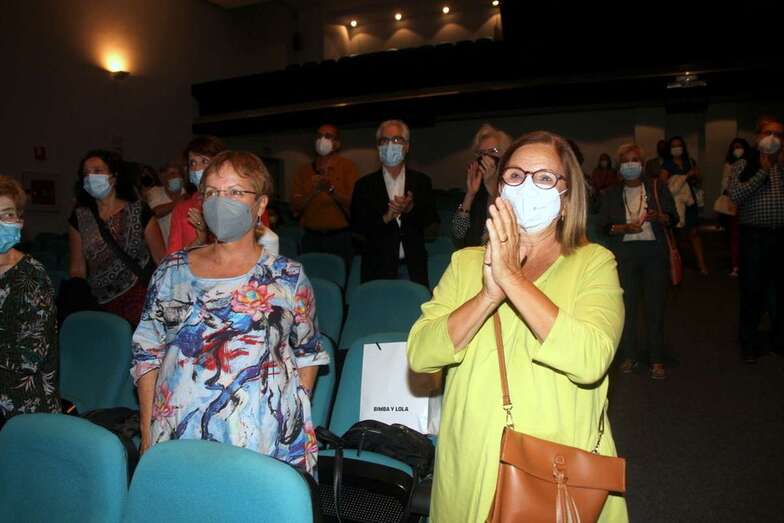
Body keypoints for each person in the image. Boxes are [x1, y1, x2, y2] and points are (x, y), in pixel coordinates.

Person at [408, 130, 627, 522]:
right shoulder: (466, 264)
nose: (527, 186)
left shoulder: (594, 263)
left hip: (553, 470)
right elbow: (421, 354)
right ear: (501, 190)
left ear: (567, 198)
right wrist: (487, 296)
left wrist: (512, 279)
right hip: (470, 461)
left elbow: (590, 358)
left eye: (544, 178)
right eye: (515, 175)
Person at [131, 151, 328, 475]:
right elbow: (147, 352)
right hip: (180, 433)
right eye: (212, 192)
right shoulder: (171, 271)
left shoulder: (288, 277)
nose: (222, 202)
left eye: (235, 192)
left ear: (260, 205)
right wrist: (147, 430)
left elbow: (308, 354)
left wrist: (288, 416)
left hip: (262, 441)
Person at [598, 144, 678, 379]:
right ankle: (629, 356)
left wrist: (660, 216)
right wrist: (623, 228)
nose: (630, 164)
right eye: (626, 161)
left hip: (655, 254)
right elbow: (603, 226)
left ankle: (657, 359)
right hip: (624, 255)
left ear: (642, 165)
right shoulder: (611, 193)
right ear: (620, 166)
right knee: (627, 309)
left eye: (635, 160)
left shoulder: (657, 187)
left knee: (655, 308)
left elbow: (673, 217)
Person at [68, 150, 165, 326]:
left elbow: (160, 259)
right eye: (86, 173)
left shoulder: (140, 211)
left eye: (97, 171)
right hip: (99, 304)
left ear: (113, 177)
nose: (90, 177)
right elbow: (77, 268)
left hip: (140, 299)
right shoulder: (79, 218)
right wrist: (80, 300)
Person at [0, 176, 59, 428]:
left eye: (8, 214)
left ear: (20, 220)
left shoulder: (32, 276)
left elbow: (28, 358)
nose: (2, 222)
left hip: (24, 409)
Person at [351, 119, 438, 287]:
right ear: (378, 147)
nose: (390, 145)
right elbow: (357, 233)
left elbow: (432, 227)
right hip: (376, 269)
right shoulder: (364, 185)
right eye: (384, 140)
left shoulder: (421, 182)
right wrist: (385, 219)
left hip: (413, 269)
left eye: (397, 139)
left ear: (407, 146)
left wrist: (410, 209)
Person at [728, 116, 784, 363]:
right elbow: (736, 195)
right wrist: (763, 171)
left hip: (780, 235)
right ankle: (749, 342)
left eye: (779, 134)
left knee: (778, 291)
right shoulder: (744, 164)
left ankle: (778, 340)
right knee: (752, 291)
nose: (773, 138)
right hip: (755, 237)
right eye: (768, 133)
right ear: (758, 136)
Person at [290, 124, 359, 265]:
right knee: (309, 276)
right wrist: (313, 192)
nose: (322, 140)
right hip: (311, 238)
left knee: (340, 276)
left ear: (337, 144)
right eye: (319, 136)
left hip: (340, 238)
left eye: (328, 136)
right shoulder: (304, 171)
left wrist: (331, 190)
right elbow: (295, 207)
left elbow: (354, 204)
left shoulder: (348, 167)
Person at [451, 124, 512, 247]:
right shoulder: (478, 188)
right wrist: (470, 195)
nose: (486, 157)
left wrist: (492, 188)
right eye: (481, 153)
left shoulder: (514, 188)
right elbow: (458, 233)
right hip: (473, 254)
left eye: (493, 151)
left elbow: (499, 235)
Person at [166, 136, 226, 254]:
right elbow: (172, 259)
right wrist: (199, 241)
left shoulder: (235, 203)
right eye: (192, 163)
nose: (197, 168)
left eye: (204, 161)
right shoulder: (182, 210)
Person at [660, 136, 708, 275]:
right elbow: (663, 183)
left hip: (690, 201)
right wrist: (680, 179)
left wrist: (694, 176)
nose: (677, 148)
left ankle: (701, 264)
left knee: (694, 232)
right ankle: (675, 265)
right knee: (675, 234)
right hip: (674, 203)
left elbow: (699, 179)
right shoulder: (667, 164)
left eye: (679, 145)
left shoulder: (690, 162)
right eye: (673, 146)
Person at [718, 139, 753, 277]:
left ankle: (743, 264)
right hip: (732, 204)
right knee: (734, 235)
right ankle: (736, 265)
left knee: (745, 236)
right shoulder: (729, 165)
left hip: (746, 204)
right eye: (735, 148)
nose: (737, 150)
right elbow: (725, 184)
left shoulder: (750, 164)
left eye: (740, 147)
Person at [147, 161, 186, 248]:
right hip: (164, 248)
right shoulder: (155, 192)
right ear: (163, 179)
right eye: (171, 174)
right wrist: (178, 202)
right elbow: (155, 212)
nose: (174, 176)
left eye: (178, 173)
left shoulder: (188, 194)